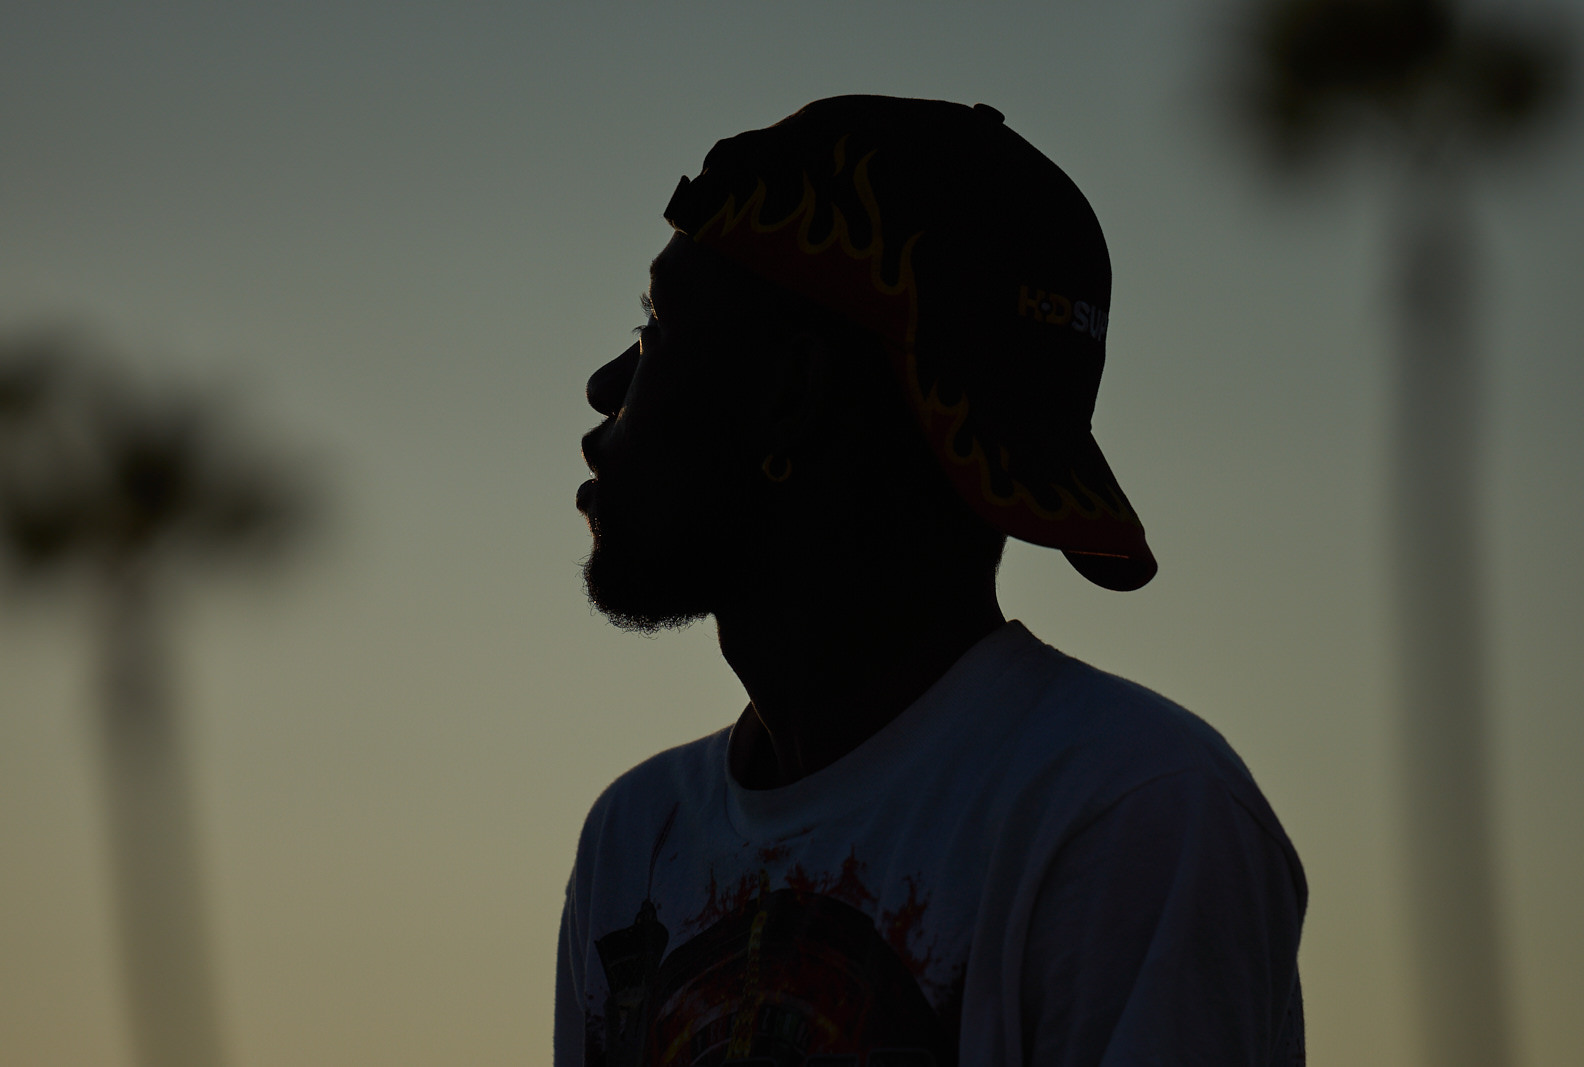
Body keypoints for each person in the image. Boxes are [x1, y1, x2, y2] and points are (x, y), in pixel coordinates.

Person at [558, 96, 1306, 1067]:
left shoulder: (1128, 809)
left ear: (790, 390)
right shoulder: (637, 837)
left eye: (656, 327)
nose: (607, 385)